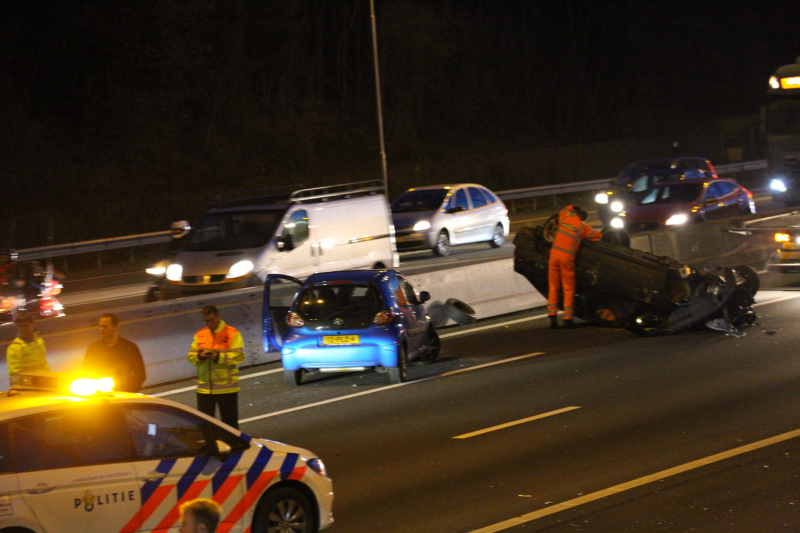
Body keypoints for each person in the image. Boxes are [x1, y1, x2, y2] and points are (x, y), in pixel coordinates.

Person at [188, 305, 245, 429]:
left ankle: (234, 447)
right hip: (204, 389)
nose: (208, 324)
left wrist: (217, 357)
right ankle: (211, 447)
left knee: (230, 426)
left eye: (211, 320)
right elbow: (191, 357)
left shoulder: (232, 333)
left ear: (218, 316)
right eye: (205, 321)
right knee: (205, 427)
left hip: (227, 389)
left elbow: (239, 356)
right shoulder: (200, 334)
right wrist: (201, 356)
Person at [547, 205, 602, 329]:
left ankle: (552, 315)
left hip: (554, 256)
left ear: (575, 214)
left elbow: (563, 210)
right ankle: (567, 318)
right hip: (566, 260)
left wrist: (572, 206)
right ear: (583, 219)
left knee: (554, 286)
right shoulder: (583, 227)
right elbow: (597, 235)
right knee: (568, 289)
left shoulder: (565, 218)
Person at [82, 313, 146, 392]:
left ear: (115, 327)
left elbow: (140, 375)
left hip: (123, 394)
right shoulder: (93, 349)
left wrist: (128, 392)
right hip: (99, 395)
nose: (101, 329)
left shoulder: (130, 348)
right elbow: (85, 372)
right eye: (100, 326)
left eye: (105, 326)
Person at [6, 311, 49, 377]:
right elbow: (15, 374)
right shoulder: (15, 347)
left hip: (44, 379)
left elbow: (44, 363)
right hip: (30, 384)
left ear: (33, 324)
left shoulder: (39, 341)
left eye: (26, 325)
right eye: (20, 326)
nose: (23, 329)